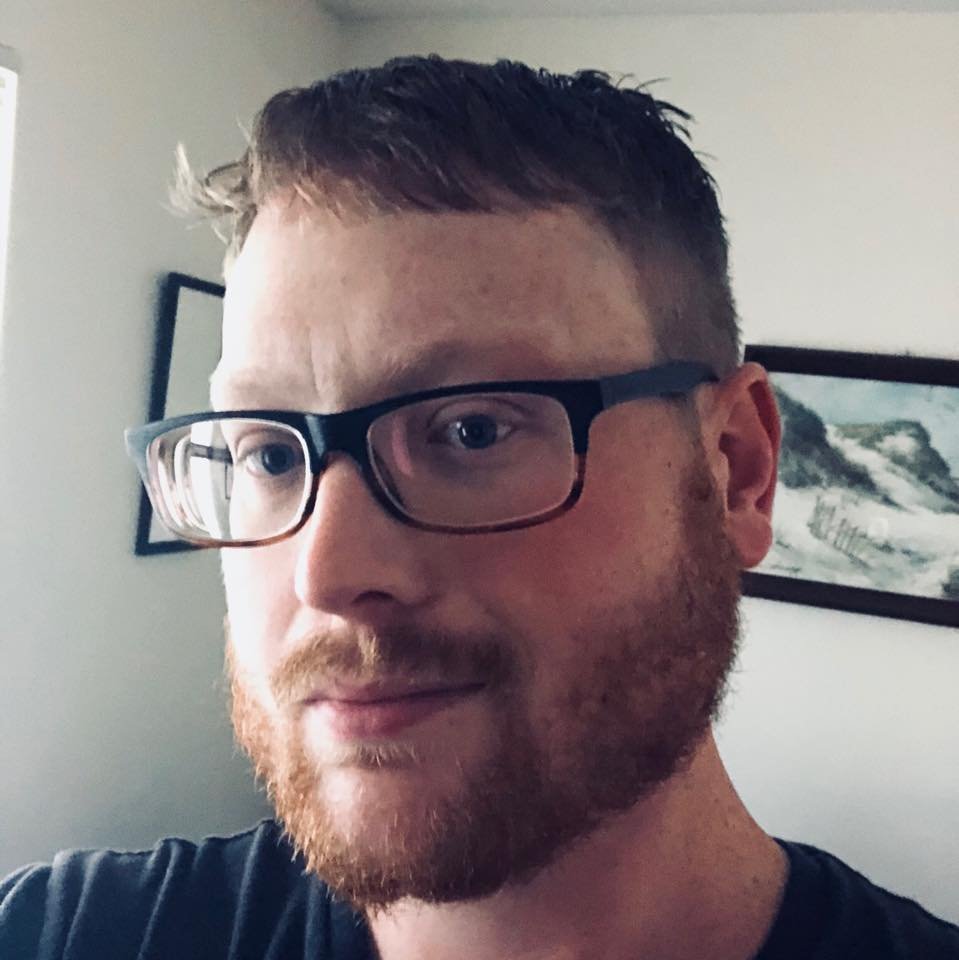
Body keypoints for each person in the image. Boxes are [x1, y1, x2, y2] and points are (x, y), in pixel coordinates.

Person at [2, 55, 957, 960]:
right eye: (268, 453)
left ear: (734, 470)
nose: (326, 574)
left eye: (471, 431)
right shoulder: (66, 932)